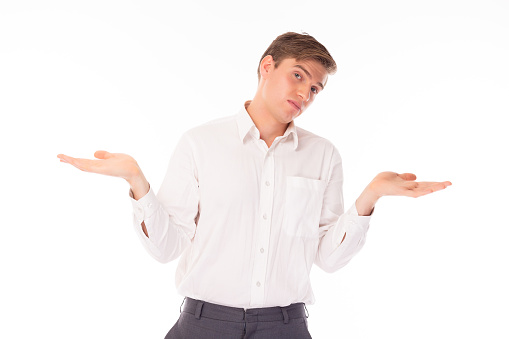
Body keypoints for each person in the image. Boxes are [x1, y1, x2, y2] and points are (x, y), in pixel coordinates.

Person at [57, 32, 451, 339]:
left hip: (285, 327)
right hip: (203, 325)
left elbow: (328, 259)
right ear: (267, 66)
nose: (304, 93)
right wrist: (136, 182)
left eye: (314, 88)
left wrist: (370, 197)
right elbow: (167, 248)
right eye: (298, 75)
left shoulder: (323, 155)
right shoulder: (200, 143)